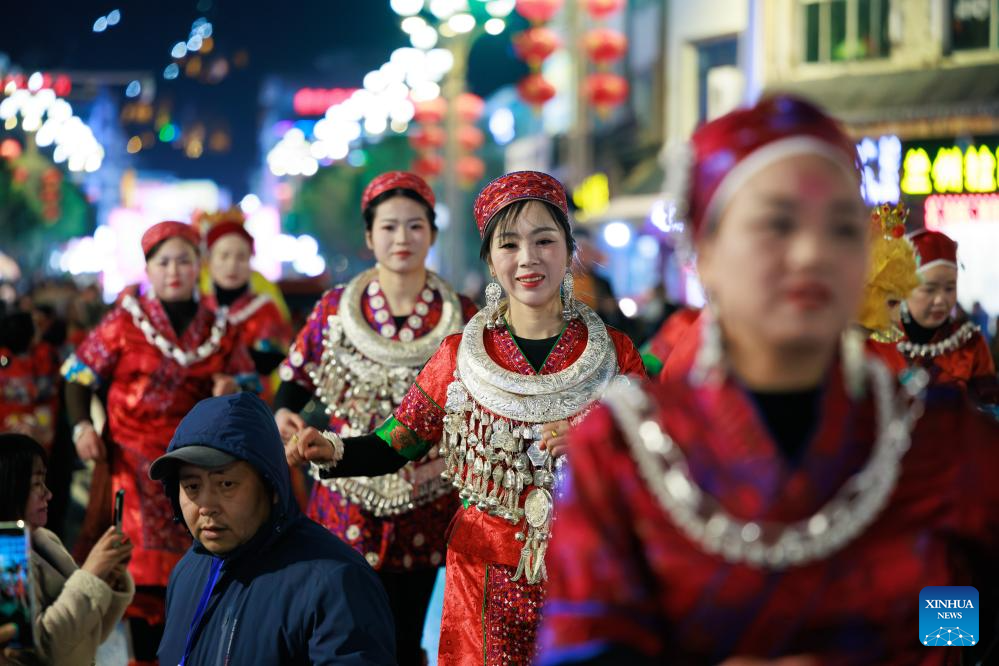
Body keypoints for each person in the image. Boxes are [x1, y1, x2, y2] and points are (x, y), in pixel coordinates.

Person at [537, 95, 999, 664]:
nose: (811, 253)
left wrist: (925, 646)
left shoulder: (938, 438)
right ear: (705, 252)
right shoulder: (622, 452)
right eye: (776, 224)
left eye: (841, 227)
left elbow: (964, 617)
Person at [288, 170, 646, 665]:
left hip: (588, 571)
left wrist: (598, 443)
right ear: (491, 260)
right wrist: (333, 449)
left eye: (544, 240)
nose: (528, 258)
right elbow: (396, 443)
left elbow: (660, 454)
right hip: (481, 581)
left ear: (569, 249)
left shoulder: (615, 354)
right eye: (509, 244)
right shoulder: (459, 356)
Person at [273, 171, 476, 664]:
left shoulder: (464, 316)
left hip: (427, 496)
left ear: (432, 233)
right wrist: (284, 413)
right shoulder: (334, 310)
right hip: (346, 495)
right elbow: (296, 377)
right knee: (344, 633)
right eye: (388, 227)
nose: (402, 238)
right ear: (369, 236)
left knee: (405, 637)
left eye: (414, 225)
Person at [60, 220, 254, 662]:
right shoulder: (124, 322)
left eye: (184, 261)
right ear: (148, 269)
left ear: (198, 266)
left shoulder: (219, 327)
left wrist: (232, 389)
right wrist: (82, 427)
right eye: (163, 262)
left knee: (203, 575)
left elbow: (247, 383)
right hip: (133, 468)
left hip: (198, 467)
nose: (174, 271)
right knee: (139, 581)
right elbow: (77, 376)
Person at [149, 392, 395, 665]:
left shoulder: (336, 583)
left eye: (226, 484)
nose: (206, 506)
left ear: (271, 486)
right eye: (192, 486)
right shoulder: (188, 571)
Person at [0, 433, 134, 665]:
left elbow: (87, 637)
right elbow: (43, 650)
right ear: (8, 487)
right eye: (36, 484)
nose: (48, 494)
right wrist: (90, 575)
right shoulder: (6, 558)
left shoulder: (45, 539)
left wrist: (107, 579)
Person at [198, 207, 293, 391]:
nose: (232, 265)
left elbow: (272, 359)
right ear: (209, 260)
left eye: (241, 257)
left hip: (253, 399)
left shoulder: (265, 308)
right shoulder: (197, 306)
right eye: (224, 256)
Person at [899, 229, 997, 404]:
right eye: (929, 289)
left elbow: (990, 408)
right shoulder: (882, 344)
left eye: (950, 288)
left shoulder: (970, 344)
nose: (940, 300)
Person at [856, 202, 920, 376]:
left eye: (901, 302)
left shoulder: (901, 345)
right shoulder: (841, 354)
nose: (898, 315)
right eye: (891, 303)